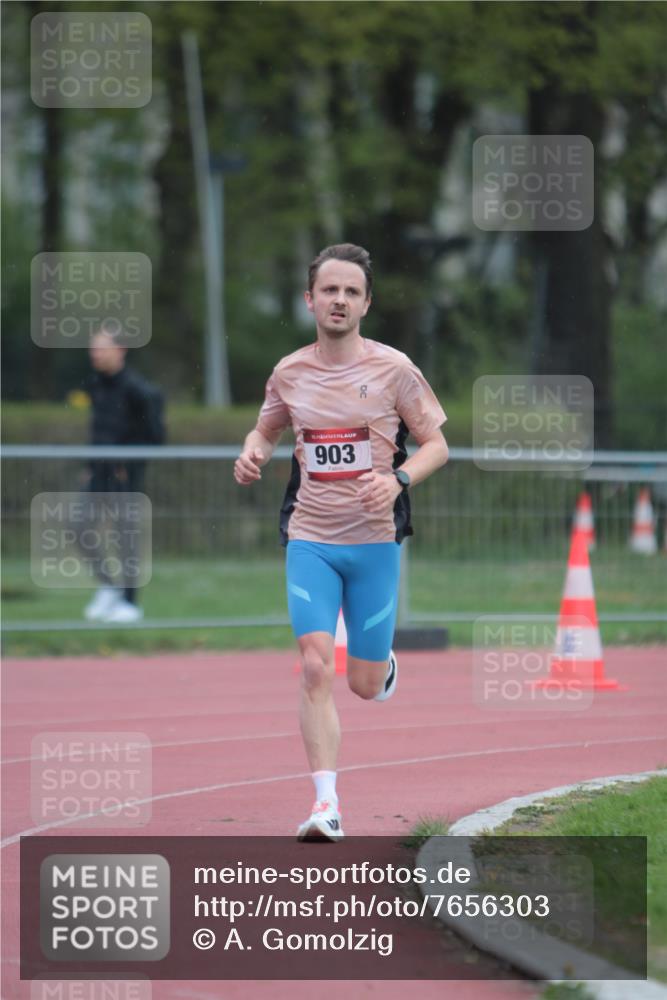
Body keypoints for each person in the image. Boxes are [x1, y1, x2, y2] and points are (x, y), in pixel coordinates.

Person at [234, 244, 448, 841]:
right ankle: (325, 805)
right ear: (310, 300)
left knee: (362, 683)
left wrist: (398, 479)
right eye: (330, 290)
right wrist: (253, 451)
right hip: (312, 539)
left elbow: (437, 445)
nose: (339, 300)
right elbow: (266, 427)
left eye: (351, 291)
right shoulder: (290, 371)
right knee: (312, 666)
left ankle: (380, 668)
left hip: (375, 542)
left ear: (366, 303)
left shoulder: (395, 369)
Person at [79, 327, 165, 623]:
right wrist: (89, 465)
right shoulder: (95, 385)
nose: (96, 354)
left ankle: (129, 603)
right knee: (78, 526)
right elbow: (98, 430)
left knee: (125, 536)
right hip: (97, 471)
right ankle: (109, 586)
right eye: (93, 348)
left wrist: (127, 462)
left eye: (102, 348)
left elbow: (155, 437)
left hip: (125, 477)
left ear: (120, 350)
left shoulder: (139, 391)